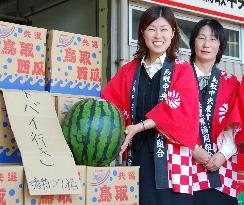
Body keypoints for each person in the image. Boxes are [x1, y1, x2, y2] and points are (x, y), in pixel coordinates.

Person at [101, 5, 199, 205]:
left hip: (172, 160)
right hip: (137, 156)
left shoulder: (183, 70)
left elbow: (182, 108)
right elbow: (110, 105)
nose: (158, 35)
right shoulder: (129, 70)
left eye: (164, 29)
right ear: (142, 32)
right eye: (152, 29)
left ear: (172, 33)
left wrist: (139, 126)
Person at [189, 19, 241, 205]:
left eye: (212, 39)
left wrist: (224, 154)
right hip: (186, 168)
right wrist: (193, 149)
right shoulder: (178, 78)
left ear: (220, 45)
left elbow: (237, 124)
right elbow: (169, 119)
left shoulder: (231, 82)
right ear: (193, 41)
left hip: (223, 169)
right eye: (201, 38)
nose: (206, 44)